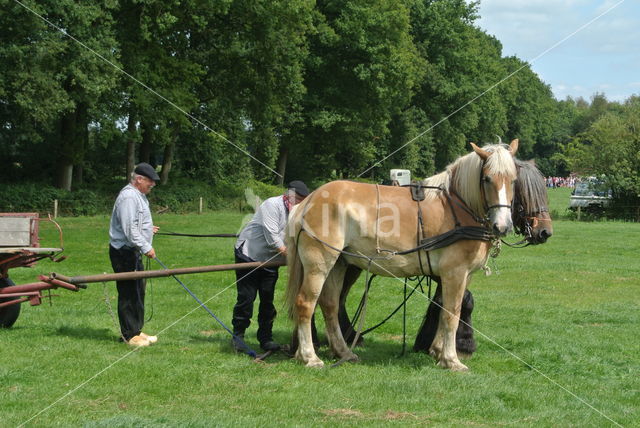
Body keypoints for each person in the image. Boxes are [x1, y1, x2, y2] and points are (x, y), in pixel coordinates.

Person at [232, 180, 310, 352]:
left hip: (270, 260)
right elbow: (272, 237)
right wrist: (295, 258)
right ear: (288, 196)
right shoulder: (271, 205)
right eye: (298, 199)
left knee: (267, 300)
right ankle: (238, 337)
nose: (301, 203)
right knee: (246, 298)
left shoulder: (298, 212)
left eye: (303, 200)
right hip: (249, 255)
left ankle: (266, 339)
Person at [109, 162, 160, 347]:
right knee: (129, 292)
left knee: (138, 290)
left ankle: (137, 331)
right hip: (123, 252)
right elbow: (129, 229)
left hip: (132, 250)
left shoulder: (138, 195)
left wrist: (147, 229)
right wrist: (146, 246)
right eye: (150, 181)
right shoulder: (129, 197)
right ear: (139, 179)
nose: (152, 185)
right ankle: (129, 335)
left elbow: (135, 223)